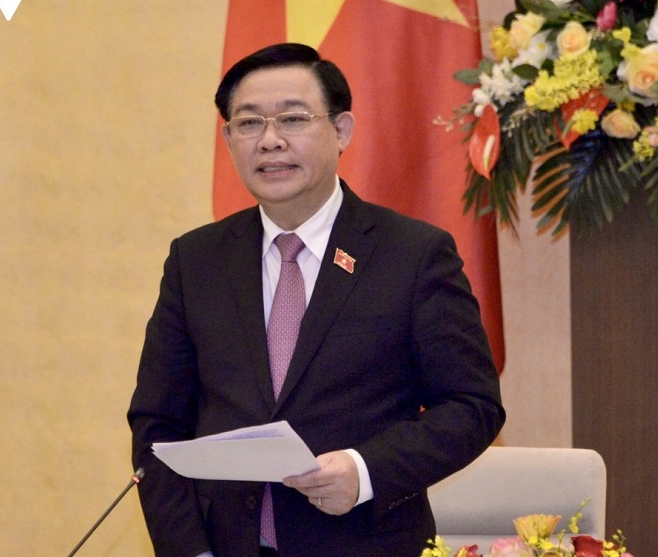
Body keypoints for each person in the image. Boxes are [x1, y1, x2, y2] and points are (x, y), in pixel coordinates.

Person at [128, 42, 504, 557]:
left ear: (342, 130)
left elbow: (471, 406)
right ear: (228, 139)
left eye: (293, 119)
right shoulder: (195, 260)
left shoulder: (413, 254)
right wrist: (190, 550)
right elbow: (158, 423)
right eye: (249, 123)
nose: (270, 141)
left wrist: (366, 471)